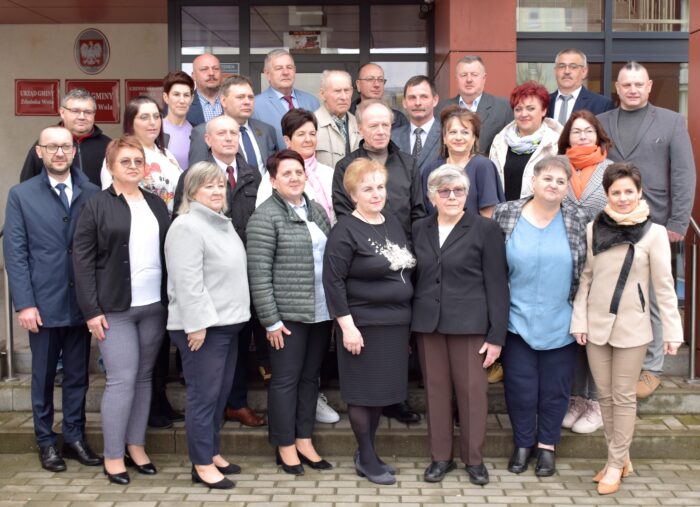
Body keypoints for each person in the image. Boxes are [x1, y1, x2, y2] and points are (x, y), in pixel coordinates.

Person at [570, 162, 683, 495]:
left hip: (633, 328)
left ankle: (614, 464)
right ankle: (620, 458)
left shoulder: (654, 233)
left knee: (622, 396)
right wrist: (579, 320)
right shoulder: (594, 228)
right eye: (616, 192)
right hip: (596, 326)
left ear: (639, 192)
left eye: (628, 192)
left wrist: (673, 331)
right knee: (604, 396)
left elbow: (664, 287)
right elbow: (587, 278)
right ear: (607, 195)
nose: (622, 198)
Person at [73, 135, 171, 485]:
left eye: (137, 161)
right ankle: (113, 455)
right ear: (110, 166)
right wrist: (91, 310)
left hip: (153, 306)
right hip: (114, 308)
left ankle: (136, 445)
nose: (132, 166)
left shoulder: (156, 203)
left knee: (144, 377)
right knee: (121, 379)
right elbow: (82, 261)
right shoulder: (96, 205)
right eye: (125, 161)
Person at [4, 126, 101, 472]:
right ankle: (45, 441)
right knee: (43, 378)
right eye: (52, 147)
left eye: (65, 147)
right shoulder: (21, 195)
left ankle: (74, 437)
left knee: (77, 377)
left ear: (74, 151)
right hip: (42, 305)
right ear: (39, 152)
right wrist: (25, 303)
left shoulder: (92, 192)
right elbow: (15, 253)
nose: (59, 153)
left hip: (81, 303)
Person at [597, 62, 696, 399]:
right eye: (627, 85)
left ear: (649, 86)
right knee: (617, 293)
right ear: (617, 87)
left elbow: (683, 174)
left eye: (639, 84)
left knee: (653, 296)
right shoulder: (602, 122)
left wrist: (678, 223)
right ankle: (620, 361)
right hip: (611, 222)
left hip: (655, 224)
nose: (633, 90)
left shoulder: (671, 121)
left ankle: (652, 367)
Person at [412, 165, 509, 485]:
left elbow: (497, 284)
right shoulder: (419, 228)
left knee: (472, 393)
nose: (452, 196)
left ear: (467, 195)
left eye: (458, 190)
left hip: (470, 326)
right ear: (432, 197)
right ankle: (440, 457)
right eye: (444, 191)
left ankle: (474, 459)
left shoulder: (485, 229)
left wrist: (496, 336)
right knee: (436, 393)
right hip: (429, 325)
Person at [492, 155, 587, 478]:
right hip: (516, 320)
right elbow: (492, 266)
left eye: (561, 181)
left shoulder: (578, 218)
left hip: (562, 319)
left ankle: (547, 445)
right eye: (547, 179)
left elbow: (587, 270)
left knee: (555, 390)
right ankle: (522, 443)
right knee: (520, 387)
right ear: (533, 181)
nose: (553, 185)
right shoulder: (507, 213)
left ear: (567, 188)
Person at [323, 158, 416, 485]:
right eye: (367, 189)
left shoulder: (392, 222)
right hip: (363, 327)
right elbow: (333, 282)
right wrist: (347, 327)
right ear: (353, 195)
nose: (376, 194)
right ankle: (366, 456)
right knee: (363, 394)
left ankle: (367, 454)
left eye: (380, 187)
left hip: (394, 327)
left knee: (381, 394)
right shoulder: (344, 231)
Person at [173, 115, 266, 428]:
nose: (228, 138)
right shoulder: (193, 176)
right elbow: (182, 223)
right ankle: (219, 410)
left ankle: (236, 403)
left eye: (233, 133)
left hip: (244, 272)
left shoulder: (253, 174)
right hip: (209, 278)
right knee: (215, 354)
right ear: (207, 140)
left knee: (239, 341)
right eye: (221, 133)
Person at [246, 150, 333, 476]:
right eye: (287, 173)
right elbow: (258, 274)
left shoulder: (316, 210)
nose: (295, 178)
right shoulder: (265, 217)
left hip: (320, 312)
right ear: (273, 180)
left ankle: (304, 439)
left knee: (310, 378)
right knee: (285, 380)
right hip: (286, 318)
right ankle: (285, 445)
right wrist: (270, 320)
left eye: (299, 172)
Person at [166, 162, 252, 490]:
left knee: (219, 396)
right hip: (204, 329)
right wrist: (197, 325)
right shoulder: (187, 226)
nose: (217, 191)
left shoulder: (221, 223)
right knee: (204, 397)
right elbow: (187, 281)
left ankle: (212, 452)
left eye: (219, 185)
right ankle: (201, 463)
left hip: (227, 325)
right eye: (208, 186)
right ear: (192, 192)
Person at [557, 110, 615, 434]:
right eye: (576, 131)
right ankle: (576, 398)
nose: (582, 136)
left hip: (600, 261)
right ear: (567, 136)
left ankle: (596, 402)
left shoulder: (610, 170)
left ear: (598, 136)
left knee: (595, 333)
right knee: (573, 332)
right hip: (564, 261)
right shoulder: (558, 167)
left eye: (588, 131)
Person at [333, 99, 426, 239]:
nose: (381, 131)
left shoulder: (409, 164)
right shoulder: (346, 167)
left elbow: (418, 214)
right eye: (373, 126)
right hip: (363, 247)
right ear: (360, 129)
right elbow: (344, 214)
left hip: (405, 247)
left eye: (385, 125)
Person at [101, 96, 183, 215]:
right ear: (130, 122)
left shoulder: (167, 154)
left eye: (156, 116)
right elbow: (109, 201)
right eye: (145, 117)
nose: (153, 122)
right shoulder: (119, 155)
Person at [421, 106, 504, 217]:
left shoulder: (483, 166)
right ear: (444, 138)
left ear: (474, 138)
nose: (458, 137)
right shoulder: (431, 170)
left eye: (465, 132)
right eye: (453, 132)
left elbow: (488, 214)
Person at [256, 108, 334, 222]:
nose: (308, 139)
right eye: (301, 134)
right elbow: (263, 218)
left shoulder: (328, 172)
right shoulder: (275, 176)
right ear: (287, 140)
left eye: (312, 134)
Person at [20, 88, 111, 186]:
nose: (81, 117)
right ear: (62, 112)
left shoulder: (109, 146)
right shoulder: (46, 145)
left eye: (88, 112)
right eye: (75, 111)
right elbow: (27, 185)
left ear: (94, 114)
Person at [490, 81, 562, 201]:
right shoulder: (499, 142)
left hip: (540, 211)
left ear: (544, 110)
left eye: (530, 108)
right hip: (503, 211)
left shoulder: (555, 144)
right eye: (518, 109)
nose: (523, 114)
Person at [189, 74, 277, 172]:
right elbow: (196, 175)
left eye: (250, 97)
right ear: (223, 101)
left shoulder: (267, 130)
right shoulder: (203, 132)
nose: (247, 102)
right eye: (240, 97)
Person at [436, 55, 513, 154]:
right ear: (456, 79)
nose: (469, 79)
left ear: (484, 78)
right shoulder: (441, 108)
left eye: (474, 75)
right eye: (464, 75)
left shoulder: (503, 107)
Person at [252, 49, 321, 148]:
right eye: (279, 68)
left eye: (289, 67)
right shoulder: (255, 105)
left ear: (294, 70)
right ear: (267, 74)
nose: (285, 72)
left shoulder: (312, 102)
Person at [546, 48, 615, 124]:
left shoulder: (602, 104)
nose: (567, 71)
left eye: (573, 66)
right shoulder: (543, 102)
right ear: (555, 71)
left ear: (584, 72)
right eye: (562, 66)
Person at [391, 75, 443, 175]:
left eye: (424, 97)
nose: (418, 103)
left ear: (435, 100)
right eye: (412, 97)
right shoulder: (392, 137)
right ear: (404, 102)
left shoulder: (446, 134)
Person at [315, 70, 362, 168]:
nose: (344, 97)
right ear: (322, 94)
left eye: (347, 90)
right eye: (337, 91)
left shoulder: (359, 123)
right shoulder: (310, 124)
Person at [350, 62, 408, 129]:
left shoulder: (399, 119)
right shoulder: (346, 117)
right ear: (358, 85)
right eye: (370, 79)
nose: (377, 85)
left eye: (380, 80)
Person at [162, 71, 195, 170]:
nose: (182, 100)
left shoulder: (198, 132)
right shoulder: (155, 130)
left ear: (192, 99)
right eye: (176, 94)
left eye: (186, 95)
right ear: (166, 97)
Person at [187, 53, 223, 126]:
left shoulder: (233, 101)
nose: (211, 73)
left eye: (216, 69)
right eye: (204, 69)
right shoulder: (185, 104)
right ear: (194, 76)